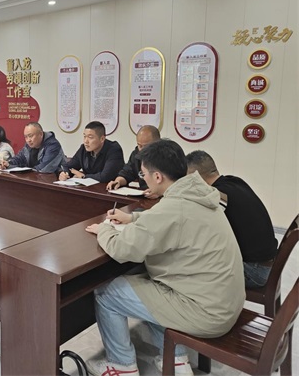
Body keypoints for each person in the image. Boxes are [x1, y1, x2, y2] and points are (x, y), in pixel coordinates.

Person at [85, 139, 244, 376]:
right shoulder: (199, 195)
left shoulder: (173, 208)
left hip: (206, 313)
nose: (144, 178)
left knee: (107, 292)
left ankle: (122, 365)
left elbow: (121, 248)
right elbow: (170, 221)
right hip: (224, 302)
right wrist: (134, 219)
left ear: (158, 176)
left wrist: (104, 230)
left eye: (144, 174)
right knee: (151, 284)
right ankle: (176, 359)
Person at [186, 150, 278, 288]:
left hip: (254, 271)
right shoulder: (235, 181)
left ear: (195, 177)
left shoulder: (216, 195)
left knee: (185, 268)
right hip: (267, 263)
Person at [58, 121, 124, 182]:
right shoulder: (83, 149)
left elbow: (105, 177)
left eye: (90, 137)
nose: (86, 141)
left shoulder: (114, 150)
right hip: (89, 187)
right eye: (84, 136)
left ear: (102, 139)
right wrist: (64, 173)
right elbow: (70, 167)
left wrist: (84, 176)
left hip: (109, 188)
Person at [106, 125, 160, 195]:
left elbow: (171, 184)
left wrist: (158, 192)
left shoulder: (167, 157)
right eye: (139, 145)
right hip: (144, 195)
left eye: (146, 146)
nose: (142, 150)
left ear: (157, 143)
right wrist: (118, 181)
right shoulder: (136, 154)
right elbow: (126, 173)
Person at [0, 122, 65, 173]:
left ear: (41, 134)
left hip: (53, 181)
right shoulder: (29, 145)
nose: (28, 140)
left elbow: (44, 169)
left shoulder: (53, 145)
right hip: (34, 179)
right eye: (26, 137)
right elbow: (20, 158)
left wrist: (25, 171)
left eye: (30, 136)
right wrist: (8, 163)